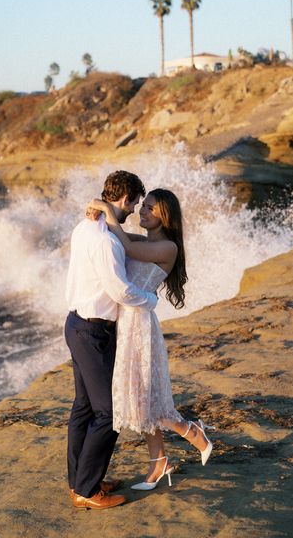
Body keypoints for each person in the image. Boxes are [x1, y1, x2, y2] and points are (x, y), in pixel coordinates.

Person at [87, 188, 213, 491]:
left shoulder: (168, 248)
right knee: (141, 396)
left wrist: (105, 208)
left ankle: (192, 431)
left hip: (140, 324)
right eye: (142, 206)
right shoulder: (145, 241)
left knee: (144, 394)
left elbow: (128, 249)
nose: (142, 212)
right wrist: (97, 211)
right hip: (126, 322)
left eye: (150, 208)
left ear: (164, 215)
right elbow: (121, 242)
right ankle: (160, 463)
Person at [65, 170, 158, 510]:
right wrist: (151, 301)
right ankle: (87, 491)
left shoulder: (85, 227)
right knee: (110, 413)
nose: (134, 210)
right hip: (93, 331)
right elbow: (119, 289)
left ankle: (80, 482)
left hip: (76, 323)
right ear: (123, 199)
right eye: (134, 203)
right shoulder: (105, 240)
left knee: (84, 409)